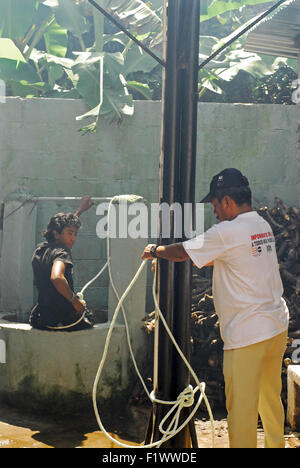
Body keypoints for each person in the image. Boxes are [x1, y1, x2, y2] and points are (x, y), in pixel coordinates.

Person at [142, 168, 289, 449]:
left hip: (248, 336)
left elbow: (184, 250)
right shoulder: (260, 224)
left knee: (242, 411)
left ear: (227, 201)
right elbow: (230, 256)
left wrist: (155, 250)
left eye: (215, 206)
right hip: (276, 328)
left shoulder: (227, 231)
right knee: (270, 399)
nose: (215, 213)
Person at [29, 196, 95, 331]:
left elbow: (63, 227)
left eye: (75, 234)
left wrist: (80, 211)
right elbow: (57, 277)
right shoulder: (62, 253)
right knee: (90, 316)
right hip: (61, 319)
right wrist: (75, 302)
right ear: (56, 233)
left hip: (43, 318)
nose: (73, 239)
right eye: (70, 234)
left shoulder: (40, 250)